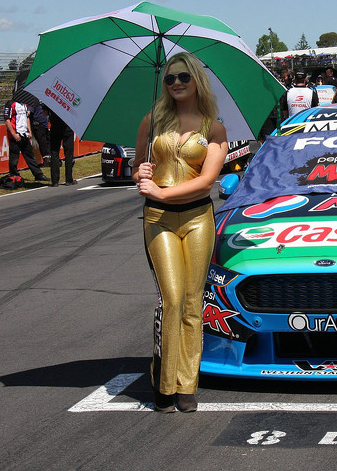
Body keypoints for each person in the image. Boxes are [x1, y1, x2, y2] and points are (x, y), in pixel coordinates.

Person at [132, 52, 228, 413]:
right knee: (170, 299)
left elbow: (206, 181)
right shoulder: (152, 121)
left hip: (197, 217)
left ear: (196, 80)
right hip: (157, 218)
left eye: (183, 77)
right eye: (170, 79)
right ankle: (163, 383)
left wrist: (162, 191)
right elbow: (137, 166)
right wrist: (140, 174)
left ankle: (186, 386)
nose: (175, 84)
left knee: (192, 301)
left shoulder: (213, 128)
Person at [4, 98, 48, 181]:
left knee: (30, 156)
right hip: (15, 135)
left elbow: (27, 117)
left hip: (24, 134)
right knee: (14, 158)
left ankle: (38, 175)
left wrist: (29, 131)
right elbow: (7, 120)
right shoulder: (10, 104)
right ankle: (13, 175)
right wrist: (14, 134)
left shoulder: (25, 104)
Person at [47, 105, 76, 186]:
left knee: (54, 153)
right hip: (67, 126)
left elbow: (44, 113)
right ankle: (69, 179)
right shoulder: (68, 98)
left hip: (55, 126)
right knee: (68, 153)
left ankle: (55, 181)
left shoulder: (50, 98)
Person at [29, 101, 51, 167]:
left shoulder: (37, 100)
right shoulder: (35, 100)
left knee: (45, 143)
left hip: (42, 125)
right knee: (44, 143)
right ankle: (47, 159)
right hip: (40, 124)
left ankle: (48, 159)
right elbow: (29, 112)